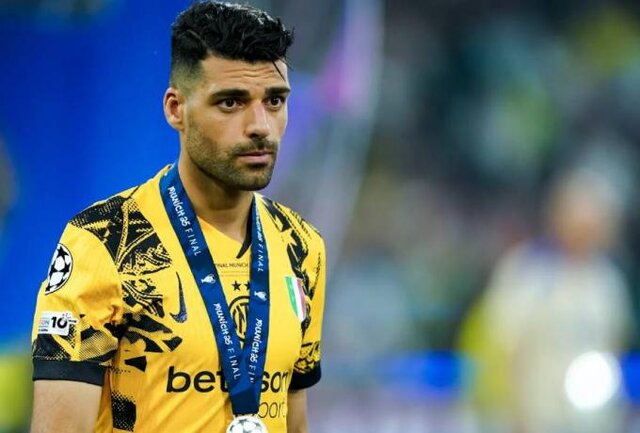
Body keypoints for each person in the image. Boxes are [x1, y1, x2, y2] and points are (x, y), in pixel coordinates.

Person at [30, 2, 326, 432]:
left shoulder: (301, 246)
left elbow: (294, 422)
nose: (261, 126)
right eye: (231, 102)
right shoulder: (104, 241)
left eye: (275, 101)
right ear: (176, 109)